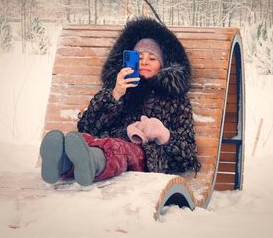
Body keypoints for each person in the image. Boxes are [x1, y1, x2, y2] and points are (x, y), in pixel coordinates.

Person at [40, 17, 201, 186]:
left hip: (146, 156)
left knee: (118, 149)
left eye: (152, 58)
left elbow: (188, 155)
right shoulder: (121, 87)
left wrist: (164, 134)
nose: (144, 62)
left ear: (163, 65)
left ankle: (93, 163)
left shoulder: (175, 100)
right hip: (106, 143)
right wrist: (115, 94)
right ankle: (62, 164)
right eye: (139, 57)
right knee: (83, 138)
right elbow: (87, 126)